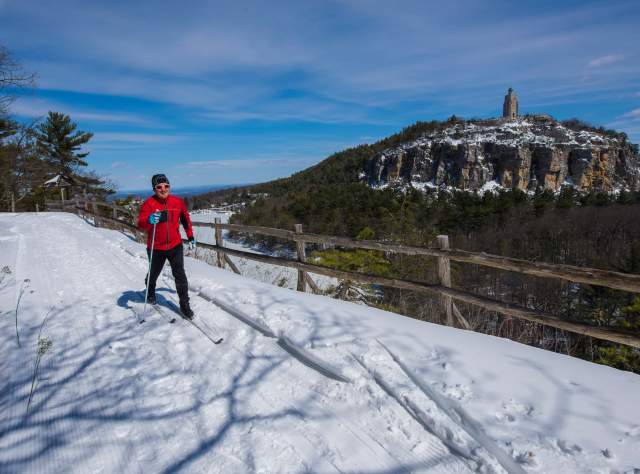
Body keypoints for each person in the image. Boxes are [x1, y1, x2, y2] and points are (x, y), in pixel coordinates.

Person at [137, 173, 196, 319]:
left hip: (175, 245)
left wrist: (190, 236)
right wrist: (149, 220)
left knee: (180, 275)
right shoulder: (149, 204)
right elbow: (140, 225)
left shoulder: (177, 202)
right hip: (156, 247)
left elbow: (185, 219)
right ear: (154, 189)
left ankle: (184, 305)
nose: (163, 189)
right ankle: (150, 292)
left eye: (166, 186)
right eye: (159, 187)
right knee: (153, 274)